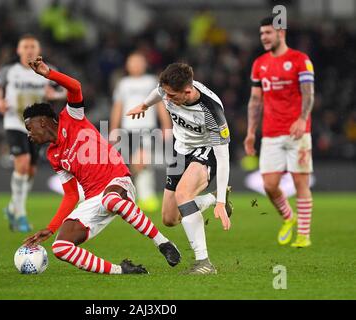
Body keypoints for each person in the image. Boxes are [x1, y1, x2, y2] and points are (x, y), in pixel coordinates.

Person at [22, 56, 181, 275]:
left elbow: (75, 87)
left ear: (42, 122)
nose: (29, 135)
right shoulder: (53, 155)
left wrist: (48, 73)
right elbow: (70, 195)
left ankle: (163, 243)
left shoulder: (71, 117)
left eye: (29, 129)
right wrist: (50, 228)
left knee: (111, 198)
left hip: (118, 182)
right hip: (93, 199)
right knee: (60, 247)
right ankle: (122, 271)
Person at [127, 63, 233, 274]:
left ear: (188, 91)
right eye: (165, 93)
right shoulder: (167, 90)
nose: (167, 99)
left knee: (183, 194)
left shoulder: (211, 111)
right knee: (169, 218)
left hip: (205, 152)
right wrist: (145, 105)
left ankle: (204, 263)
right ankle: (209, 199)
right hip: (179, 151)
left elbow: (223, 157)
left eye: (172, 96)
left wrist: (222, 203)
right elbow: (157, 92)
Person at [244, 17, 315, 248]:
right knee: (269, 185)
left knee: (300, 182)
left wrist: (302, 120)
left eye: (268, 33)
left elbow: (308, 93)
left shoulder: (300, 60)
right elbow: (255, 100)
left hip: (297, 132)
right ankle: (288, 217)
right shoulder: (259, 64)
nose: (263, 37)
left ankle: (303, 235)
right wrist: (251, 132)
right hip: (271, 132)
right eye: (261, 33)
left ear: (280, 33)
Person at [0, 34, 66, 232]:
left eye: (33, 46)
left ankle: (12, 207)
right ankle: (21, 215)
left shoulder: (47, 70)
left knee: (31, 171)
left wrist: (55, 95)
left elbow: (68, 90)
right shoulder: (9, 70)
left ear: (38, 50)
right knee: (22, 164)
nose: (29, 49)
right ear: (19, 50)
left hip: (38, 128)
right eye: (26, 46)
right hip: (14, 122)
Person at [109, 52, 172, 212]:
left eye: (139, 62)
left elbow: (160, 105)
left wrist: (166, 125)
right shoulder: (123, 83)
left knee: (141, 160)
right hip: (127, 129)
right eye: (132, 62)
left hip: (146, 128)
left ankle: (144, 196)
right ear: (127, 65)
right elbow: (118, 107)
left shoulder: (151, 81)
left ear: (145, 64)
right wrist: (113, 129)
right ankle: (141, 195)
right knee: (133, 164)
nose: (136, 65)